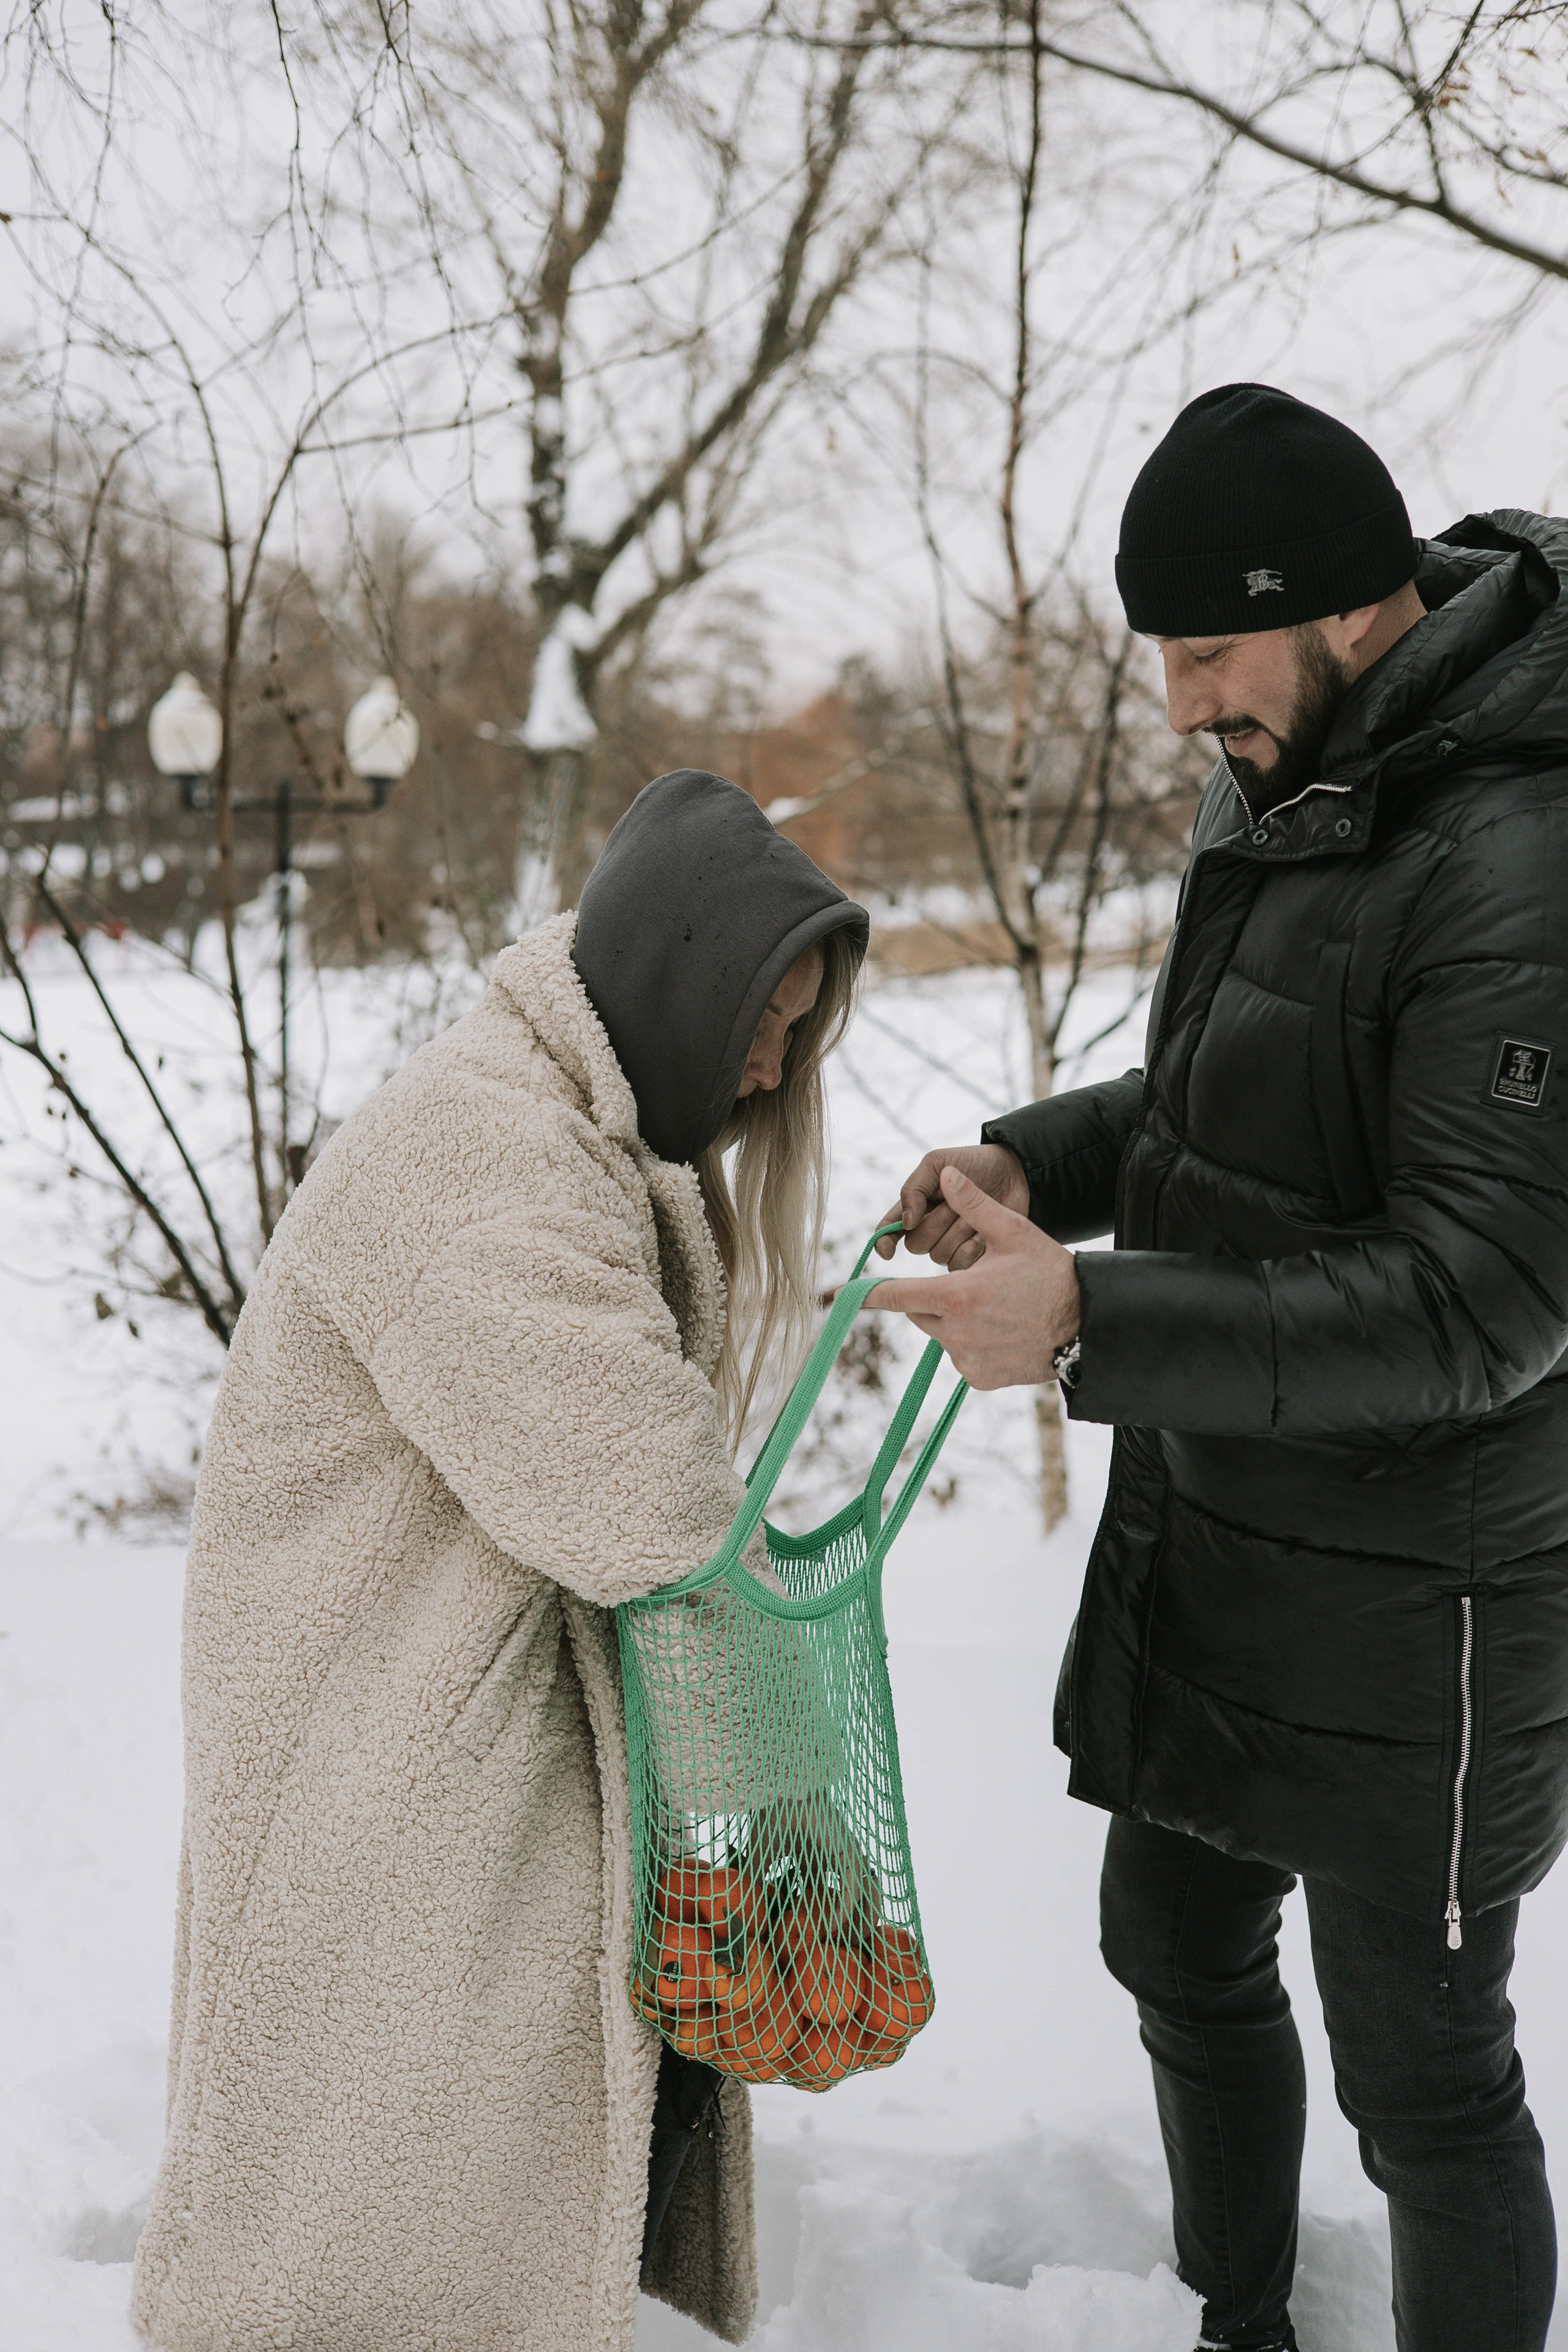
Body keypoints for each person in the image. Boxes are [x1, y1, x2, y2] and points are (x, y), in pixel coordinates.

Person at [870, 384, 1568, 2352]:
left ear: (1349, 606)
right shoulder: (1295, 769)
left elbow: (1486, 1296)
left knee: (1427, 2087)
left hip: (1418, 1592)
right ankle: (1239, 2329)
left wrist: (1090, 1321)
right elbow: (1224, 1089)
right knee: (1169, 1942)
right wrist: (1038, 1162)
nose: (1178, 707)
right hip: (1230, 1520)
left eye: (1205, 654)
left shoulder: (1520, 849)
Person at [130, 769, 869, 2352]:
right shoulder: (483, 1163)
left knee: (439, 2212)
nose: (771, 1062)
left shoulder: (565, 1123)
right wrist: (804, 1834)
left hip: (440, 1719)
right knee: (380, 2245)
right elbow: (649, 1503)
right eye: (758, 1016)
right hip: (375, 1742)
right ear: (674, 979)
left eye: (799, 1033)